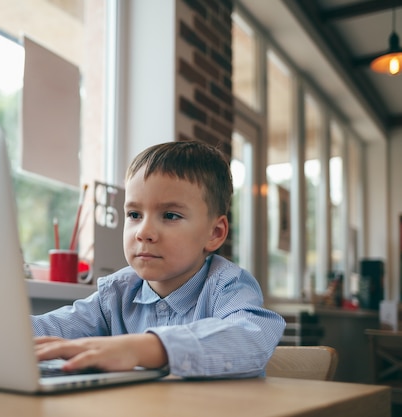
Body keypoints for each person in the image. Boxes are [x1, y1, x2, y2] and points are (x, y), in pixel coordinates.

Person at [32, 140, 286, 378]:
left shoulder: (227, 286)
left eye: (170, 215)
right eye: (134, 214)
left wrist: (147, 348)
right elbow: (47, 329)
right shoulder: (116, 295)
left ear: (215, 233)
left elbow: (253, 335)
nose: (143, 232)